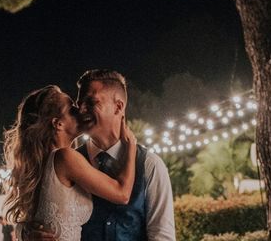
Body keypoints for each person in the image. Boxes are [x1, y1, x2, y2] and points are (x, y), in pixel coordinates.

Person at [27, 70, 176, 241]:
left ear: (118, 107)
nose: (81, 109)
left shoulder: (150, 165)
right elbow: (38, 211)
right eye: (79, 103)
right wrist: (30, 234)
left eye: (91, 102)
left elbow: (162, 236)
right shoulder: (69, 163)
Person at [2, 84, 137, 241]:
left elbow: (29, 219)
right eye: (72, 109)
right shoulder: (65, 157)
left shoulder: (44, 163)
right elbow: (122, 194)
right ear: (58, 124)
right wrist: (131, 147)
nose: (80, 111)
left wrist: (25, 233)